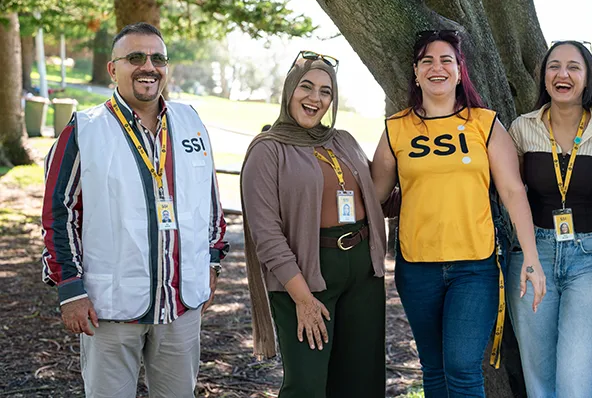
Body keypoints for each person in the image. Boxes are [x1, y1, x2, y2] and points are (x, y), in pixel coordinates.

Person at [41, 22, 228, 398]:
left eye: (158, 58)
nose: (149, 66)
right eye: (135, 57)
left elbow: (210, 203)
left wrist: (211, 263)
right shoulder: (84, 129)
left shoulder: (190, 123)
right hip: (110, 307)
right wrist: (70, 289)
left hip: (180, 304)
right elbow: (58, 214)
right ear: (113, 69)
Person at [371, 29, 545, 398]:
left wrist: (531, 255)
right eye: (427, 61)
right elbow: (374, 198)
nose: (437, 68)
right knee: (434, 369)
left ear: (460, 69)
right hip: (416, 268)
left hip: (474, 267)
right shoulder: (396, 129)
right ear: (415, 72)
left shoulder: (485, 124)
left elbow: (513, 192)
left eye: (446, 60)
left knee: (463, 368)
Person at [241, 51, 386, 398]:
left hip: (363, 274)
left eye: (325, 91)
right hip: (305, 277)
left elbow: (376, 197)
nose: (315, 98)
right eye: (306, 87)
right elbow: (267, 235)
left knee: (361, 382)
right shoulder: (268, 150)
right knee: (306, 386)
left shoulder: (343, 141)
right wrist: (304, 300)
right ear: (289, 90)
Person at [506, 40, 592, 397]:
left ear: (588, 79)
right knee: (538, 378)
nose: (563, 74)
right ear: (544, 78)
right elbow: (513, 192)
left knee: (577, 381)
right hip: (532, 252)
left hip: (591, 257)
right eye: (554, 66)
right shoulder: (523, 129)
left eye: (574, 67)